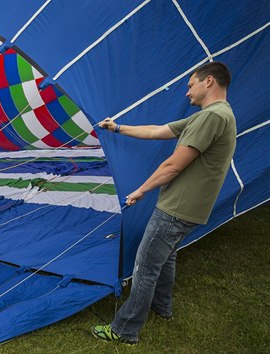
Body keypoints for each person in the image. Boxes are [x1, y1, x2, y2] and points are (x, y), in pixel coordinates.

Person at [91, 61, 236, 345]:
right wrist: (117, 127)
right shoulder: (214, 115)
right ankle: (161, 306)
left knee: (145, 267)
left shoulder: (212, 117)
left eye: (191, 85)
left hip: (177, 208)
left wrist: (140, 190)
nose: (187, 92)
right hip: (190, 208)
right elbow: (158, 131)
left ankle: (124, 330)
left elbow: (173, 165)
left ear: (208, 82)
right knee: (165, 256)